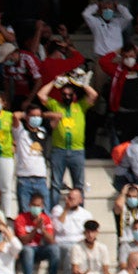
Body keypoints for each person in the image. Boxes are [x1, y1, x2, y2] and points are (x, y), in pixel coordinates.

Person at [36, 66, 98, 208]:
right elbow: (41, 95)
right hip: (59, 150)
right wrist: (54, 81)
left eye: (70, 94)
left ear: (74, 95)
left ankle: (80, 212)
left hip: (77, 150)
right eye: (64, 94)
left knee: (79, 184)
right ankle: (53, 212)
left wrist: (81, 83)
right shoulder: (56, 105)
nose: (67, 97)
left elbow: (93, 95)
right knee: (56, 184)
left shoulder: (80, 106)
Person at [14, 193, 60, 274]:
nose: (36, 208)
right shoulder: (21, 218)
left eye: (38, 206)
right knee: (28, 250)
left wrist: (42, 229)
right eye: (34, 205)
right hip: (25, 250)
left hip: (40, 249)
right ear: (29, 205)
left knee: (55, 249)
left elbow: (51, 240)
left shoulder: (45, 218)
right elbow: (23, 240)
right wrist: (35, 229)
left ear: (42, 206)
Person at [51, 188, 92, 274]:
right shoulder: (58, 209)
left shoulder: (86, 214)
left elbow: (89, 233)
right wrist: (65, 209)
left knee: (75, 249)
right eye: (69, 198)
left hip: (79, 243)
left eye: (73, 199)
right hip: (61, 243)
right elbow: (57, 228)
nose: (70, 200)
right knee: (71, 250)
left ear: (80, 200)